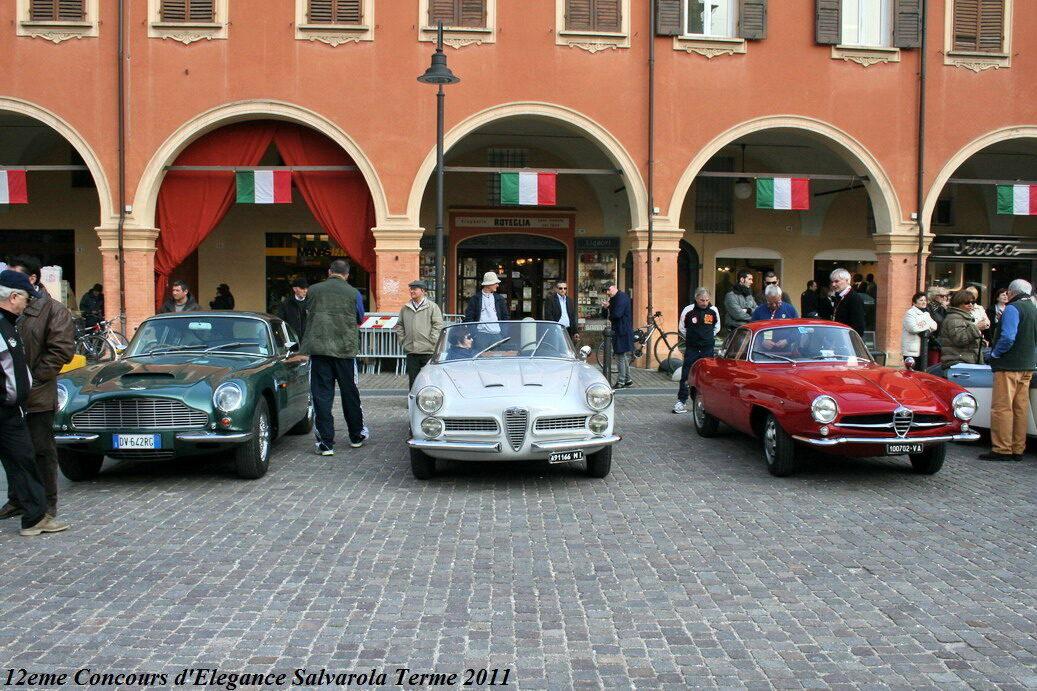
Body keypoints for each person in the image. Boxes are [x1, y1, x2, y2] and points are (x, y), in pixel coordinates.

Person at [0, 257, 75, 521]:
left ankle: (47, 503)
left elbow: (61, 350)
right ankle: (18, 500)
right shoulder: (8, 310)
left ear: (31, 279)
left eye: (14, 276)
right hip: (11, 394)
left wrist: (31, 379)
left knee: (40, 450)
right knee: (14, 452)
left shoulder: (53, 310)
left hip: (38, 393)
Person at [300, 259, 369, 456]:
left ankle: (326, 443)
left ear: (329, 271)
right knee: (350, 394)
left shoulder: (313, 290)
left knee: (321, 396)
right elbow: (359, 317)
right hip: (345, 351)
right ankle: (356, 436)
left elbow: (307, 313)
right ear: (346, 275)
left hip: (319, 350)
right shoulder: (353, 293)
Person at [980, 278, 1037, 462]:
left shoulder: (1013, 308)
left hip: (1008, 365)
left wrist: (995, 354)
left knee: (1002, 408)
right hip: (1027, 364)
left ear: (1012, 293)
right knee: (1020, 408)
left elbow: (1008, 337)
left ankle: (1002, 448)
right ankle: (1018, 448)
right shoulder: (1034, 308)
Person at [672, 287, 720, 414]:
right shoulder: (688, 310)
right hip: (692, 348)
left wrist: (707, 337)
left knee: (706, 375)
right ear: (696, 298)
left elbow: (717, 327)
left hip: (707, 348)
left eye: (706, 300)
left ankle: (705, 402)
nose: (704, 302)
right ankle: (681, 401)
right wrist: (694, 337)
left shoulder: (713, 310)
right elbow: (682, 328)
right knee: (686, 374)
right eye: (701, 300)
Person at [394, 280, 444, 389]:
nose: (411, 291)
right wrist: (403, 339)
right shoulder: (405, 308)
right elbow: (399, 325)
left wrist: (432, 340)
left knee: (429, 378)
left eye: (414, 289)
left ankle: (428, 402)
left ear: (423, 291)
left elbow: (438, 325)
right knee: (413, 378)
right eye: (411, 289)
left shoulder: (432, 307)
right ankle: (412, 402)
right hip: (411, 349)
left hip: (428, 350)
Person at [934, 290, 984, 374]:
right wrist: (976, 327)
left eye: (972, 302)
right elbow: (960, 340)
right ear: (958, 303)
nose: (971, 305)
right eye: (967, 302)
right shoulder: (955, 318)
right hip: (958, 364)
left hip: (963, 363)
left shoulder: (962, 317)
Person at [463, 271, 510, 350]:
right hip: (481, 335)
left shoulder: (499, 299)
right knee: (480, 359)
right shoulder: (475, 299)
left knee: (497, 359)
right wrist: (475, 334)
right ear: (489, 284)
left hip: (497, 334)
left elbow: (506, 317)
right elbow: (469, 317)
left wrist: (503, 333)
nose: (497, 285)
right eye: (495, 283)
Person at [603, 285, 634, 389]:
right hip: (620, 329)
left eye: (609, 290)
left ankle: (621, 381)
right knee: (622, 356)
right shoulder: (616, 297)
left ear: (614, 287)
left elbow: (617, 314)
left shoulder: (621, 297)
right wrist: (608, 306)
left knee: (620, 355)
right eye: (607, 291)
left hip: (622, 330)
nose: (608, 292)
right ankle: (628, 380)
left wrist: (609, 308)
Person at [901, 291, 938, 371]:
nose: (924, 302)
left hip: (923, 348)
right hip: (912, 350)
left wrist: (923, 325)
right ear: (914, 302)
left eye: (925, 300)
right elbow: (913, 329)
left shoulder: (926, 314)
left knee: (922, 371)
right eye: (921, 300)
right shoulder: (910, 313)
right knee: (912, 372)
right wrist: (927, 326)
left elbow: (934, 326)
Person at [829, 268, 865, 335]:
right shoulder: (839, 296)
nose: (833, 285)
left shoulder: (854, 298)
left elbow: (858, 327)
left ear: (847, 281)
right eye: (832, 282)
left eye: (836, 281)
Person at [925, 286, 950, 367]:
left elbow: (948, 322)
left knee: (940, 366)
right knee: (933, 365)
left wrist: (946, 309)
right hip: (933, 343)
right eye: (942, 296)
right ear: (934, 296)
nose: (944, 298)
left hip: (943, 342)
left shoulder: (942, 308)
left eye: (946, 296)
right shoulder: (929, 308)